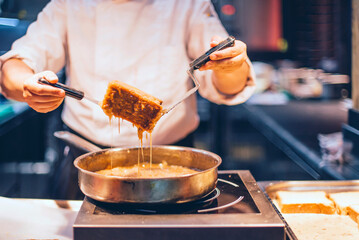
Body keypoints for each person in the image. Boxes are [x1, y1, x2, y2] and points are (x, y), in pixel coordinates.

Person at [0, 0, 256, 199]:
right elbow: (16, 65)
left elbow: (228, 86)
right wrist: (25, 86)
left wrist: (232, 65)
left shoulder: (187, 4)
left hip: (175, 163)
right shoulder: (70, 4)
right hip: (86, 161)